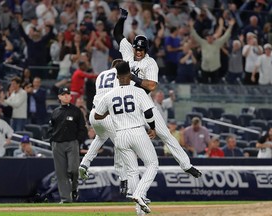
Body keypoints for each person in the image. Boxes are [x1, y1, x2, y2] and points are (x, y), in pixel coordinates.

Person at [113, 8, 202, 178]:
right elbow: (117, 34)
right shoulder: (127, 53)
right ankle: (123, 176)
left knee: (166, 135)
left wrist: (131, 76)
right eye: (136, 49)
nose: (138, 52)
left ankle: (186, 165)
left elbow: (152, 86)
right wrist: (122, 19)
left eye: (141, 50)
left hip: (143, 101)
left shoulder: (150, 63)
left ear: (146, 50)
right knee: (118, 136)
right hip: (126, 103)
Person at [94, 61, 158, 214]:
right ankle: (138, 193)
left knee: (132, 171)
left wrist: (111, 112)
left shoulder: (109, 94)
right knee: (153, 164)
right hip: (137, 131)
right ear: (130, 74)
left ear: (116, 76)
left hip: (120, 135)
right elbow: (148, 114)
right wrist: (153, 128)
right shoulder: (138, 91)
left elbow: (97, 115)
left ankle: (139, 211)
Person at [79, 59, 128, 195]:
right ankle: (123, 178)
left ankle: (84, 163)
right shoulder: (119, 75)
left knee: (100, 138)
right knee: (120, 142)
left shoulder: (101, 75)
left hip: (94, 113)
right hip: (106, 114)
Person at [48, 87, 87, 203]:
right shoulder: (55, 112)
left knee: (74, 169)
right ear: (59, 97)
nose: (66, 96)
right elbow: (50, 128)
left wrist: (77, 141)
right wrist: (52, 141)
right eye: (63, 94)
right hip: (57, 144)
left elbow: (82, 128)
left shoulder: (76, 111)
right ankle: (66, 199)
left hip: (72, 143)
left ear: (70, 97)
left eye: (68, 94)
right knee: (61, 173)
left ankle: (74, 188)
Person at [189, 18, 235, 83]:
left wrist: (230, 26)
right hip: (205, 68)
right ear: (206, 37)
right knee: (205, 84)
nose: (210, 38)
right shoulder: (203, 42)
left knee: (215, 84)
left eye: (211, 36)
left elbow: (226, 36)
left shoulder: (218, 43)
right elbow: (195, 36)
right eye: (208, 37)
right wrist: (191, 27)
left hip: (215, 68)